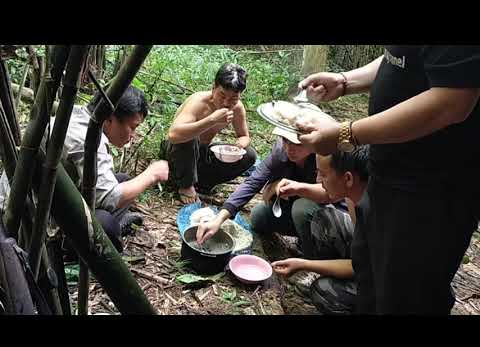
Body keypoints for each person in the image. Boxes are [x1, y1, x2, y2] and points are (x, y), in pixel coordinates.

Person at [294, 45, 480, 314]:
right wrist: (346, 81)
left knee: (407, 298)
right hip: (383, 174)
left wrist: (345, 134)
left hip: (429, 194)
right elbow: (400, 58)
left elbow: (452, 102)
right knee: (370, 285)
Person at [0, 86, 169, 253]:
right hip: (31, 221)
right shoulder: (86, 137)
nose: (133, 135)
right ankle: (66, 247)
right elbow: (109, 198)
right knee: (105, 225)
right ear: (109, 118)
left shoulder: (77, 115)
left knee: (124, 181)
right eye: (132, 127)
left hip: (50, 198)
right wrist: (151, 175)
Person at [195, 126, 346, 262]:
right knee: (259, 216)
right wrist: (219, 219)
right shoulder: (281, 152)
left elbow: (332, 194)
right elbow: (253, 182)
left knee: (302, 207)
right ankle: (303, 237)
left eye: (298, 144)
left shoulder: (326, 155)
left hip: (331, 213)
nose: (290, 148)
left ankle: (313, 258)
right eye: (286, 141)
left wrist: (298, 187)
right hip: (293, 206)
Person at [272, 146, 369, 315]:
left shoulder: (376, 216)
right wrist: (297, 187)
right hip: (366, 256)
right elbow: (326, 192)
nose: (318, 179)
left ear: (348, 178)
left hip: (388, 282)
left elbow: (359, 266)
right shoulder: (356, 187)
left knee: (323, 292)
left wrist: (304, 264)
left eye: (323, 174)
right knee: (324, 220)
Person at [166, 63, 257, 204]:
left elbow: (244, 136)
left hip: (202, 154)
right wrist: (211, 120)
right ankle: (185, 184)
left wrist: (240, 145)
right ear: (213, 88)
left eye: (233, 99)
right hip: (177, 153)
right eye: (222, 96)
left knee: (249, 155)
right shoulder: (198, 102)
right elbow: (174, 135)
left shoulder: (237, 108)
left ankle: (203, 184)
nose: (226, 102)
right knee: (190, 137)